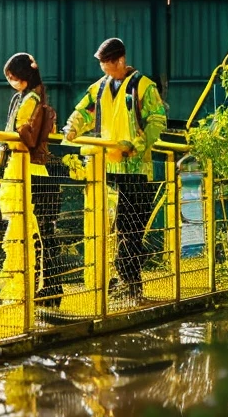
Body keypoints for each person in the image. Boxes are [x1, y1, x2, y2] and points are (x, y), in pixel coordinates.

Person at [62, 37, 167, 298]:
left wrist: (133, 146)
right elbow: (83, 111)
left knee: (131, 229)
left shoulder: (143, 87)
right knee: (115, 230)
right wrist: (72, 127)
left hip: (135, 170)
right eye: (101, 63)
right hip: (106, 169)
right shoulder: (99, 88)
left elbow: (157, 121)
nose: (104, 67)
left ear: (121, 60)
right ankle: (125, 283)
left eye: (107, 62)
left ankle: (130, 284)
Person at [0, 52, 63, 309]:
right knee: (40, 234)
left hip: (29, 171)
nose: (11, 82)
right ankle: (46, 287)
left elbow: (22, 133)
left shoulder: (29, 98)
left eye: (13, 77)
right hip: (32, 170)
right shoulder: (30, 96)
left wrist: (3, 148)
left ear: (23, 76)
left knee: (36, 234)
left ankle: (44, 287)